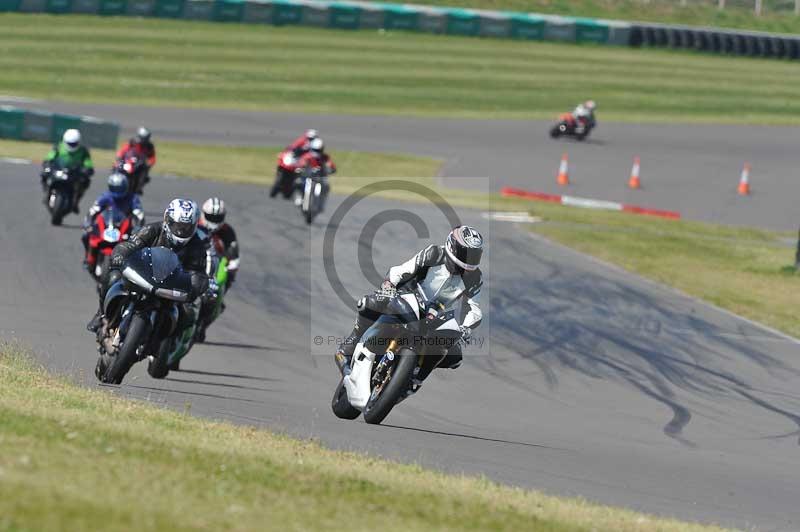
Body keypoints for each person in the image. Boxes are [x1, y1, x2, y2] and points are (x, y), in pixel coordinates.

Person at [334, 226, 484, 390]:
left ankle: (416, 378)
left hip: (435, 315)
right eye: (466, 253)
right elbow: (401, 270)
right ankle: (349, 347)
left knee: (455, 356)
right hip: (407, 298)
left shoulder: (475, 278)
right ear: (452, 246)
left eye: (475, 254)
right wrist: (389, 286)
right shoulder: (434, 254)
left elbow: (474, 309)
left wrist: (464, 328)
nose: (469, 259)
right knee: (369, 303)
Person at [87, 198, 210, 333]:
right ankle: (101, 314)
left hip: (171, 286)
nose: (181, 231)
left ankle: (165, 345)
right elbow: (130, 244)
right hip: (144, 273)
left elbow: (198, 272)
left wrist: (196, 285)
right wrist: (119, 255)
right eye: (177, 226)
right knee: (112, 277)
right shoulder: (152, 229)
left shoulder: (197, 247)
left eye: (186, 228)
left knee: (188, 315)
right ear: (167, 220)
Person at [194, 198, 240, 343]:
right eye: (211, 217)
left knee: (218, 300)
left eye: (217, 217)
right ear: (203, 214)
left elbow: (234, 255)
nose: (214, 220)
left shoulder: (227, 232)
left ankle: (202, 325)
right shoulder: (195, 226)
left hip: (217, 268)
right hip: (195, 262)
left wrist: (230, 272)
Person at [80, 172, 145, 272]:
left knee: (138, 244)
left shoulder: (132, 198)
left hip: (124, 227)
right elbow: (93, 210)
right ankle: (88, 258)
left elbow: (139, 214)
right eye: (115, 188)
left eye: (120, 188)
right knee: (85, 235)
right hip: (106, 225)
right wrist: (88, 223)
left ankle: (133, 266)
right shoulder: (105, 197)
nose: (118, 192)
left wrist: (138, 227)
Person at [41, 129, 95, 213]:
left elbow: (88, 162)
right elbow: (50, 156)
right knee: (44, 173)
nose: (72, 146)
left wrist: (88, 169)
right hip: (59, 169)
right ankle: (46, 192)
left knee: (86, 181)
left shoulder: (83, 151)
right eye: (70, 143)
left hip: (74, 173)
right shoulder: (58, 147)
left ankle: (76, 201)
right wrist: (48, 163)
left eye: (74, 144)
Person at [294, 137, 336, 210]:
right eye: (316, 150)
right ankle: (299, 197)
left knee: (326, 187)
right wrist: (300, 168)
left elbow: (330, 164)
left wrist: (331, 169)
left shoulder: (325, 157)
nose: (317, 152)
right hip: (308, 177)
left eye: (319, 150)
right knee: (298, 182)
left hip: (321, 177)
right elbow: (301, 163)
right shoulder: (308, 156)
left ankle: (321, 204)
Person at [115, 127, 156, 193]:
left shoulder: (149, 146)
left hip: (140, 163)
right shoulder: (132, 142)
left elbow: (152, 158)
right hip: (129, 160)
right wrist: (119, 157)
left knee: (144, 170)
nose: (144, 140)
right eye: (143, 137)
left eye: (146, 138)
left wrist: (149, 164)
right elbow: (123, 150)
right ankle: (115, 181)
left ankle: (139, 187)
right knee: (117, 166)